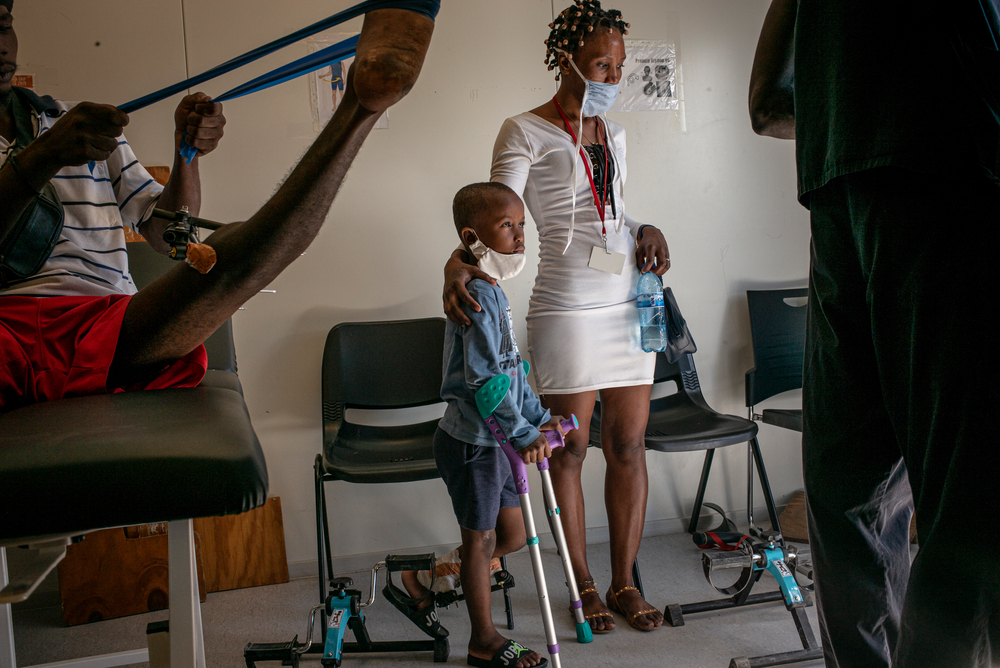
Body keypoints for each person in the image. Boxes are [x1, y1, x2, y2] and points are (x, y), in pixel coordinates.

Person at [1, 0, 436, 411]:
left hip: (110, 327)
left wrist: (185, 156)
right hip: (6, 327)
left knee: (233, 249)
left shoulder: (73, 119)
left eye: (3, 24)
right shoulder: (66, 135)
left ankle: (361, 105)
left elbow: (168, 236)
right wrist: (45, 154)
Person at [749, 1, 999, 666]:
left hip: (840, 191)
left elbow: (767, 102)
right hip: (954, 172)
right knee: (971, 505)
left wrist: (855, 113)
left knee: (849, 502)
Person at [442, 1, 668, 633]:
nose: (612, 77)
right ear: (566, 59)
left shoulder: (614, 134)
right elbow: (498, 217)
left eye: (620, 65)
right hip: (567, 305)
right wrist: (459, 264)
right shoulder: (523, 130)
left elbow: (615, 215)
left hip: (628, 303)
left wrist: (646, 227)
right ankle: (583, 584)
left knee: (628, 444)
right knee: (567, 451)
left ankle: (624, 581)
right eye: (602, 63)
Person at [434, 182, 565, 668]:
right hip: (472, 441)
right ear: (474, 235)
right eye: (507, 226)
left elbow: (512, 370)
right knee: (482, 539)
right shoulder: (477, 293)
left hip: (499, 439)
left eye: (522, 225)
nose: (520, 236)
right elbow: (485, 380)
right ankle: (482, 639)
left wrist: (536, 416)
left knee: (507, 536)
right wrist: (524, 434)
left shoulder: (494, 290)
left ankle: (433, 579)